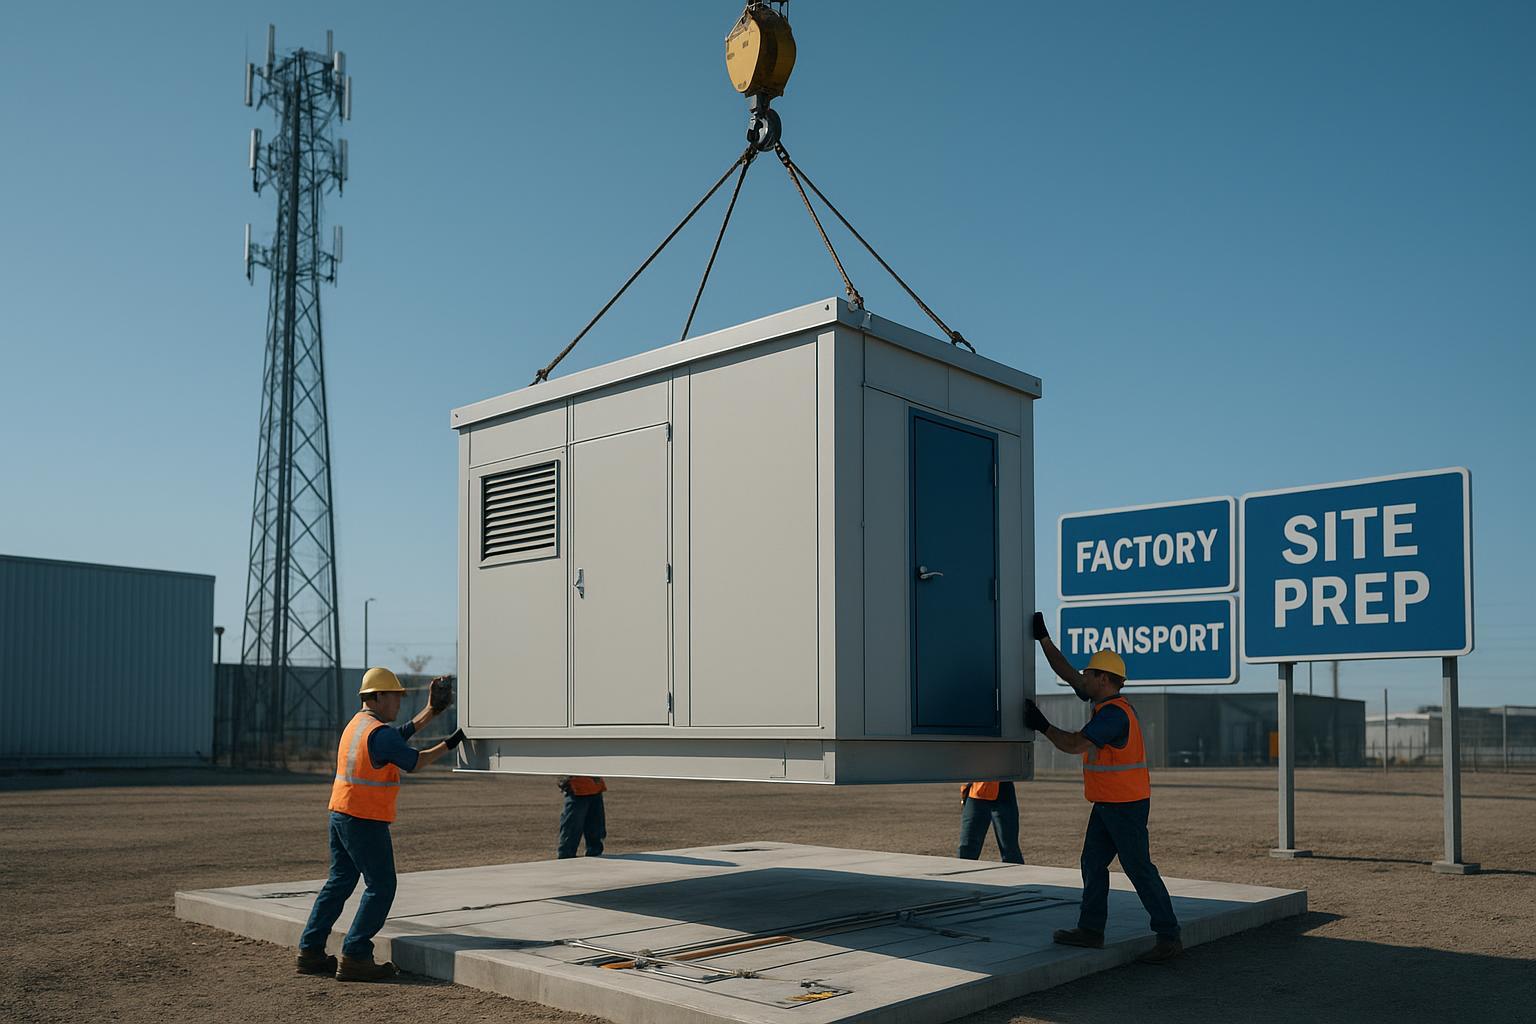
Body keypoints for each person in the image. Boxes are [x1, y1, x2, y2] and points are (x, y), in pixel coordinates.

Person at [1025, 612, 1183, 964]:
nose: (1082, 678)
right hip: (1109, 803)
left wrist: (1042, 725)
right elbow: (1067, 673)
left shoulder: (1113, 715)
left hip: (1125, 805)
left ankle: (1169, 935)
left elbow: (1073, 745)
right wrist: (1044, 640)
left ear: (1104, 679)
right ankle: (1091, 931)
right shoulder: (1103, 703)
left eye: (1089, 674)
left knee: (1139, 868)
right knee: (1092, 863)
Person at [295, 668, 466, 981]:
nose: (399, 702)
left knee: (340, 882)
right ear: (377, 696)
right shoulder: (379, 733)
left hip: (341, 813)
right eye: (395, 696)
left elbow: (397, 736)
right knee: (382, 886)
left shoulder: (359, 725)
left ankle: (310, 951)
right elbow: (414, 762)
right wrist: (454, 741)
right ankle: (356, 955)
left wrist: (431, 711)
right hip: (364, 819)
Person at [957, 781, 1024, 863]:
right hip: (978, 789)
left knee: (1010, 849)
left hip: (1001, 787)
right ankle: (964, 875)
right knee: (967, 850)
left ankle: (1016, 874)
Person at [556, 775, 607, 858]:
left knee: (596, 830)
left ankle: (595, 856)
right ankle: (566, 858)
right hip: (577, 790)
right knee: (572, 829)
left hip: (595, 789)